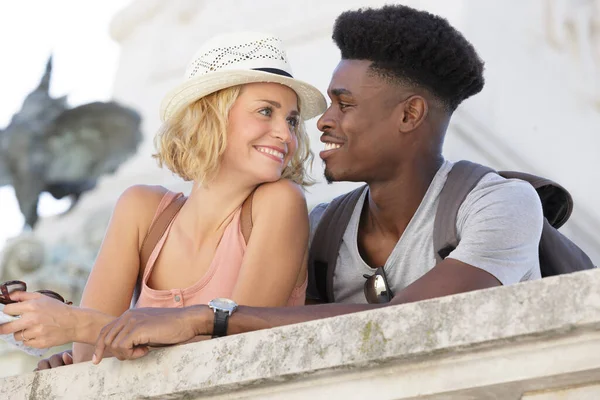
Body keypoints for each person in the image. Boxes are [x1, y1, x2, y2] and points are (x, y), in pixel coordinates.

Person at [45, 4, 545, 366]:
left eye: (343, 104)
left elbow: (403, 318)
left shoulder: (500, 204)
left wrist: (204, 318)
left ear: (410, 113)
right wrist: (87, 351)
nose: (316, 124)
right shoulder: (325, 228)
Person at [0, 31, 327, 363]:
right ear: (212, 113)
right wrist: (84, 331)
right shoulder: (141, 210)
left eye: (291, 120)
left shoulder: (280, 203)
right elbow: (88, 359)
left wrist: (81, 324)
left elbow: (238, 351)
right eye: (265, 112)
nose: (285, 134)